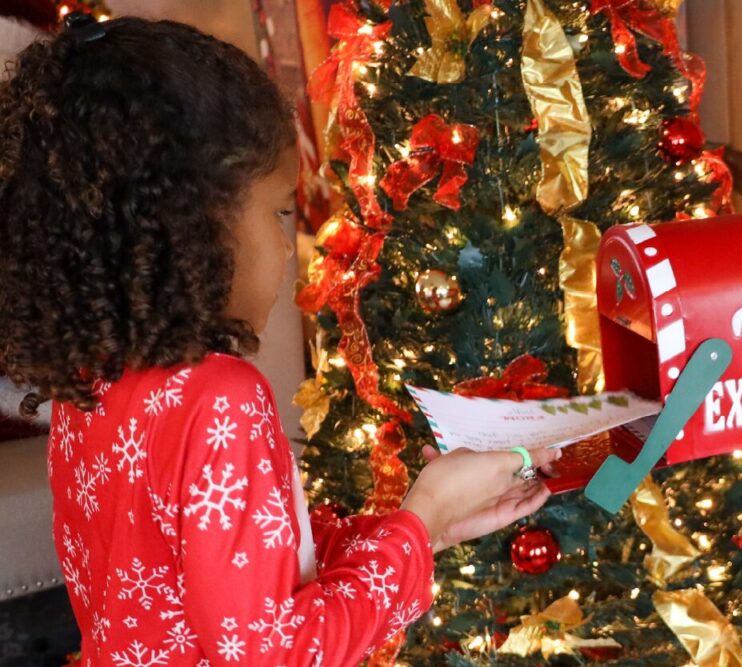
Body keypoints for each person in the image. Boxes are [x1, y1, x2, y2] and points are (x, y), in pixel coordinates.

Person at [0, 14, 559, 665]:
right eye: (278, 211)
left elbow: (231, 563)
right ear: (195, 225)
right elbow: (273, 650)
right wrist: (424, 515)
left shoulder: (92, 377)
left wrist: (416, 530)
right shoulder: (222, 399)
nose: (289, 248)